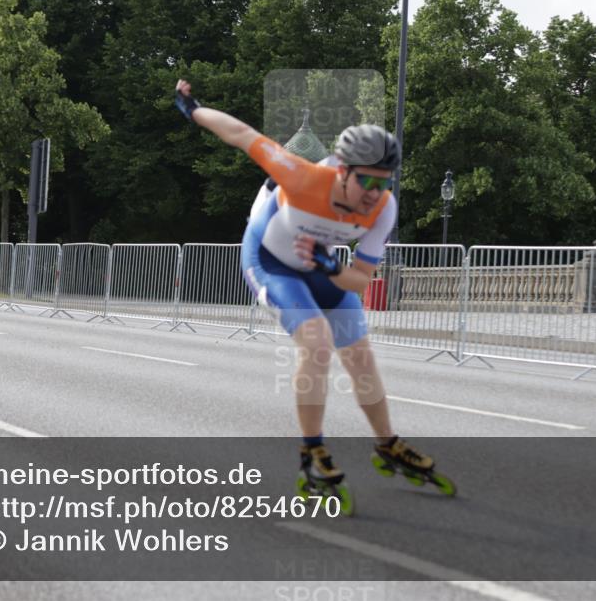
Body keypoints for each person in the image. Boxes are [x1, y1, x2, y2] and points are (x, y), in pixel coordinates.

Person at [174, 79, 451, 500]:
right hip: (269, 262)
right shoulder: (301, 177)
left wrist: (328, 265)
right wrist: (192, 109)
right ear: (341, 170)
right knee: (317, 342)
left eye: (384, 183)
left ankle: (388, 443)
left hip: (321, 266)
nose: (374, 195)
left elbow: (360, 279)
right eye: (367, 183)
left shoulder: (383, 207)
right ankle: (313, 450)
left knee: (360, 356)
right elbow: (242, 135)